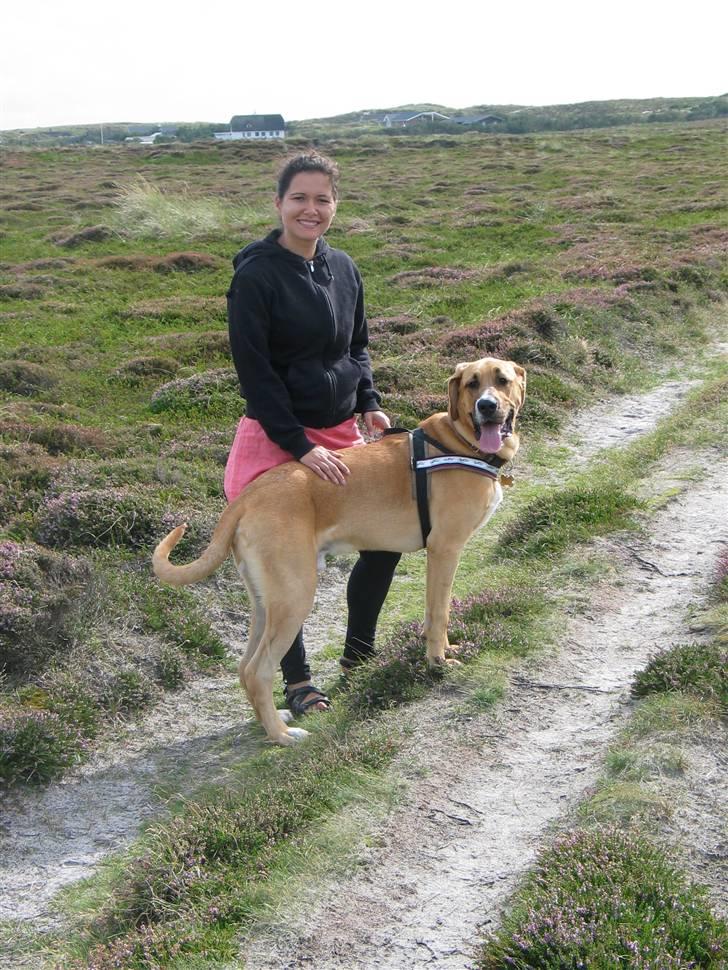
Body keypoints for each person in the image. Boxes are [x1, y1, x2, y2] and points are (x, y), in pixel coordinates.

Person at [224, 151, 401, 718]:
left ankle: (359, 657)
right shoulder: (255, 277)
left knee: (386, 542)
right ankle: (297, 681)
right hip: (278, 439)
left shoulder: (344, 267)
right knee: (289, 568)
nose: (311, 209)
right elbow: (256, 375)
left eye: (322, 199)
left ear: (335, 205)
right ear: (278, 204)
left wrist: (368, 404)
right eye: (299, 198)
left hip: (341, 432)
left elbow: (357, 346)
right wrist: (302, 447)